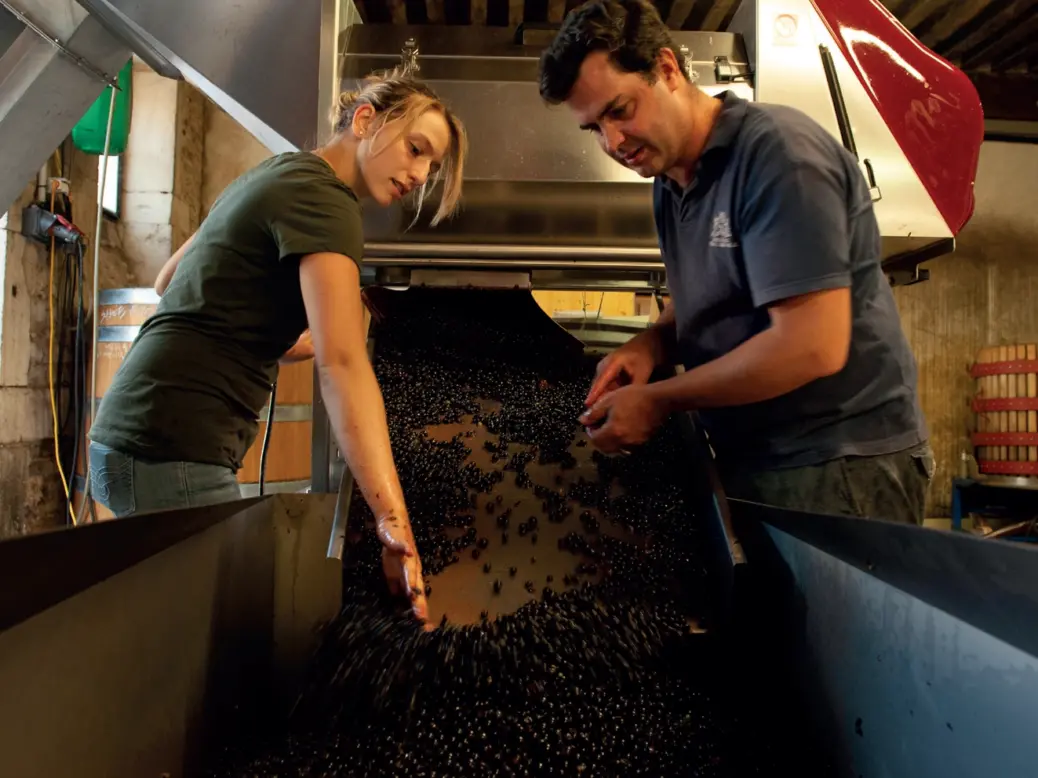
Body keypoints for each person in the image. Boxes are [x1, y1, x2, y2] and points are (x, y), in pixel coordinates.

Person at [88, 68, 468, 619]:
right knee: (230, 630)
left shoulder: (278, 172)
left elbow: (169, 282)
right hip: (170, 446)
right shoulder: (327, 201)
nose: (420, 174)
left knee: (190, 624)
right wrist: (392, 521)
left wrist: (286, 342)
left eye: (431, 167)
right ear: (365, 120)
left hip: (131, 431)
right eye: (416, 149)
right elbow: (343, 365)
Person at [538, 0, 934, 524]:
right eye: (593, 128)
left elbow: (811, 346)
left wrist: (660, 399)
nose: (613, 142)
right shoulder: (670, 181)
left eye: (620, 110)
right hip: (759, 459)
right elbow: (710, 295)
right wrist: (652, 342)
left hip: (838, 464)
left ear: (667, 69)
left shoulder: (778, 156)